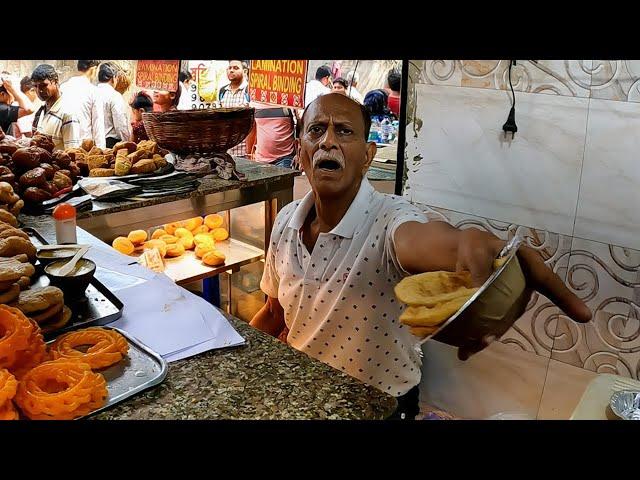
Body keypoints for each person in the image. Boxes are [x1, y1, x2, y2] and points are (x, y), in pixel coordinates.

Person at [249, 93, 591, 419]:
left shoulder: (389, 219)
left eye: (344, 131)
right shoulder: (285, 221)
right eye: (316, 130)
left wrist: (470, 246)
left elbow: (425, 239)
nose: (328, 141)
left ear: (368, 155)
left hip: (380, 405)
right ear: (301, 151)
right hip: (308, 394)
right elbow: (274, 312)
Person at [30, 64, 81, 150]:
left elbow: (72, 152)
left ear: (55, 81)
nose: (39, 90)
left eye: (43, 85)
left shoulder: (68, 113)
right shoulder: (42, 110)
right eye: (35, 86)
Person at [60, 60, 105, 148]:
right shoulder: (94, 91)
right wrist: (101, 151)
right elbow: (98, 125)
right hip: (83, 147)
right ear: (94, 69)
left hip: (64, 144)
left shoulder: (63, 87)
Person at [245, 101, 296, 168]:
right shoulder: (255, 102)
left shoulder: (289, 100)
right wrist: (249, 154)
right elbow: (251, 130)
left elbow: (300, 126)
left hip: (285, 157)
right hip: (261, 159)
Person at [218, 60, 251, 157]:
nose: (231, 70)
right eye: (229, 68)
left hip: (244, 151)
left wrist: (250, 151)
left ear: (245, 71)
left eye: (236, 68)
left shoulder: (249, 91)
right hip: (226, 151)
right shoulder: (223, 91)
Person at [96, 63, 131, 148]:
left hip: (93, 143)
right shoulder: (114, 96)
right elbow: (121, 125)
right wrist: (127, 142)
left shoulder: (91, 93)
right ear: (114, 78)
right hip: (110, 144)